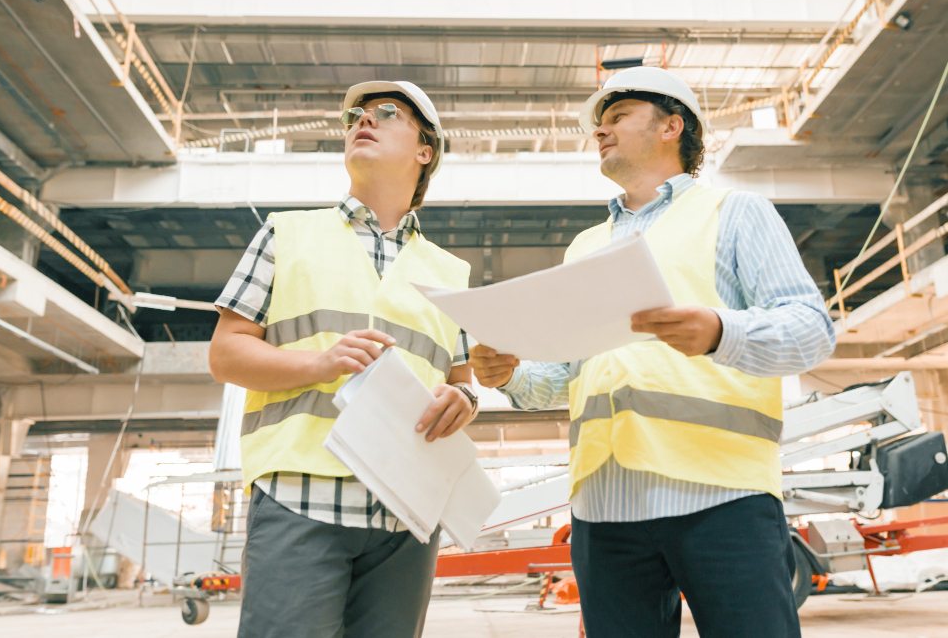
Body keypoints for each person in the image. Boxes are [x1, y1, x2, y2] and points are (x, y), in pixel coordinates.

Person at [471, 66, 835, 637]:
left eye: (616, 116)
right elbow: (568, 376)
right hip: (604, 508)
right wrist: (511, 374)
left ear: (672, 126)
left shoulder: (735, 214)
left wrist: (720, 332)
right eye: (599, 123)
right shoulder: (586, 246)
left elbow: (811, 330)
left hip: (722, 495)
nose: (601, 130)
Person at [208, 80, 480, 638]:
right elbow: (226, 353)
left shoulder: (450, 273)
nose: (363, 120)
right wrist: (319, 363)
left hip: (406, 511)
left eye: (385, 113)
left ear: (425, 151)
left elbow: (462, 383)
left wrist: (465, 400)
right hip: (300, 498)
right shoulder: (286, 233)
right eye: (356, 114)